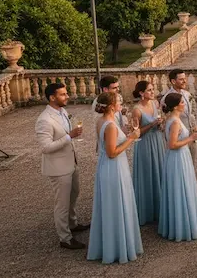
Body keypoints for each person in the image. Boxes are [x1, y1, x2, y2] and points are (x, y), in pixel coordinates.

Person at [87, 92, 142, 264]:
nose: (121, 103)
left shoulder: (102, 121)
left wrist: (125, 135)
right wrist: (131, 139)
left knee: (112, 205)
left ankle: (113, 244)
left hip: (110, 166)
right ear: (111, 106)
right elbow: (112, 153)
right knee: (117, 204)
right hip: (114, 167)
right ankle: (118, 247)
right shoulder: (110, 125)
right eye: (119, 101)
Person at [35, 82, 88, 250]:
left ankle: (72, 224)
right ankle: (65, 238)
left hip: (71, 162)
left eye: (66, 93)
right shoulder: (44, 120)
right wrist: (69, 136)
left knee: (74, 194)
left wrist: (72, 134)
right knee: (62, 203)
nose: (67, 96)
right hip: (58, 168)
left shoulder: (62, 111)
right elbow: (45, 148)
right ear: (52, 98)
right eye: (63, 94)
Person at [159, 93, 197, 242]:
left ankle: (179, 224)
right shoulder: (175, 122)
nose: (184, 104)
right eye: (182, 102)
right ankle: (182, 226)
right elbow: (171, 145)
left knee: (181, 188)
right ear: (177, 106)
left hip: (180, 156)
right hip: (178, 158)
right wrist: (191, 138)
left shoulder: (173, 119)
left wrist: (190, 137)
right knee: (181, 188)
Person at [130, 81, 166, 226]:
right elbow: (136, 133)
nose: (152, 92)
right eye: (149, 90)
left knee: (159, 171)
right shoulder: (137, 110)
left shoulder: (155, 104)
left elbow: (160, 123)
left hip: (157, 141)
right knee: (147, 174)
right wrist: (151, 124)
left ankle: (159, 209)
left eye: (153, 90)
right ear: (141, 93)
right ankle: (146, 211)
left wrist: (161, 124)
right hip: (144, 144)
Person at [161, 69, 197, 166]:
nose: (185, 81)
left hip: (191, 135)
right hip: (179, 138)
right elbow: (164, 120)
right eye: (181, 79)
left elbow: (192, 113)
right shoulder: (167, 98)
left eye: (184, 78)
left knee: (191, 165)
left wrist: (194, 126)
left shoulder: (187, 94)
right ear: (173, 81)